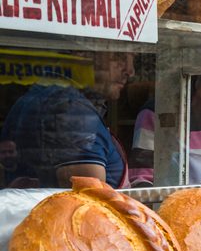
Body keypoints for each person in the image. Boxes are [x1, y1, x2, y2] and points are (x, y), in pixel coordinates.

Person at [0, 52, 135, 188]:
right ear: (84, 55)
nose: (130, 71)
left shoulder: (40, 97)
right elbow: (87, 201)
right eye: (119, 56)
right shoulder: (71, 109)